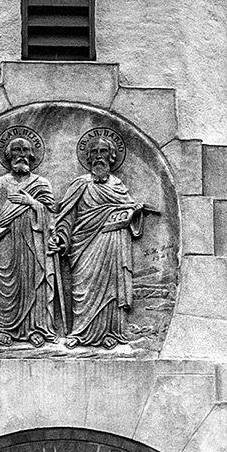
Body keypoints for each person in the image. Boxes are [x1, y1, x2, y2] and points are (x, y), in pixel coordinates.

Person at [0, 131, 61, 345]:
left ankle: (37, 329)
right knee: (6, 285)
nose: (21, 155)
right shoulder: (0, 184)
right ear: (8, 155)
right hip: (7, 242)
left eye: (26, 150)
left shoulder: (42, 184)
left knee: (36, 283)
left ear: (33, 155)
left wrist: (31, 203)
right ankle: (5, 328)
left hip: (36, 243)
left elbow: (53, 215)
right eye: (16, 150)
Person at [54, 125, 148, 348]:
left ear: (112, 157)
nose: (98, 157)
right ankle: (80, 332)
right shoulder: (80, 184)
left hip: (114, 244)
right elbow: (67, 215)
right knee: (83, 290)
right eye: (94, 153)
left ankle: (111, 333)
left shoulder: (119, 186)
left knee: (111, 291)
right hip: (84, 247)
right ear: (88, 157)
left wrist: (134, 212)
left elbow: (128, 213)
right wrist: (60, 237)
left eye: (103, 152)